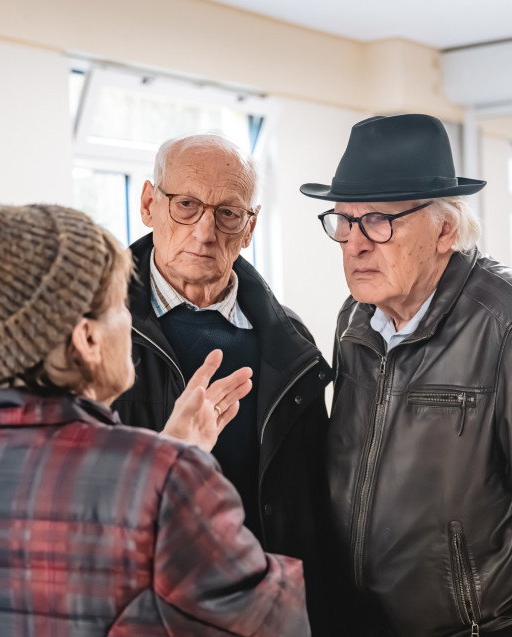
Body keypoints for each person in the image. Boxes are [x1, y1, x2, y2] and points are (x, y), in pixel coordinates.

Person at [0, 200, 309, 636]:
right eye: (120, 305)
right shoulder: (166, 478)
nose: (131, 319)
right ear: (88, 339)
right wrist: (173, 469)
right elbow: (277, 624)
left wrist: (169, 455)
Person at [301, 114, 512, 636]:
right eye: (343, 221)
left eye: (378, 221)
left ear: (445, 229)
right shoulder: (355, 319)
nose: (354, 244)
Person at [110, 134, 333, 627]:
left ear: (250, 227)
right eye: (186, 205)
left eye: (228, 213)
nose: (205, 231)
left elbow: (312, 505)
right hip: (147, 614)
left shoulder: (290, 339)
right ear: (148, 205)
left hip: (266, 613)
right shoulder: (95, 332)